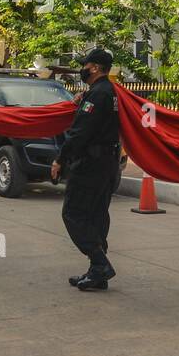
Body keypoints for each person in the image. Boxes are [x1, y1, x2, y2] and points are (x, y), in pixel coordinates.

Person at [48, 49, 122, 291]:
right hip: (108, 164)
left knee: (73, 214)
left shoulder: (98, 95)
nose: (83, 69)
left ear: (96, 68)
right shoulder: (110, 93)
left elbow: (80, 133)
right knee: (96, 215)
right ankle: (97, 272)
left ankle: (100, 264)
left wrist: (61, 159)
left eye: (86, 65)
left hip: (91, 165)